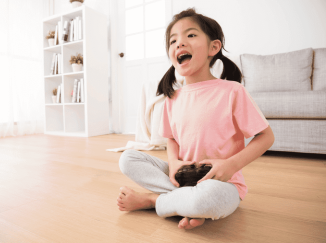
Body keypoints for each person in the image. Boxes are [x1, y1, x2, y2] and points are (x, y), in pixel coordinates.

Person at [116, 8, 275, 230]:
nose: (179, 43)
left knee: (206, 199)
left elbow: (266, 137)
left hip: (222, 183)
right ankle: (186, 203)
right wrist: (173, 164)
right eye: (173, 41)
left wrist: (231, 165)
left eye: (190, 35)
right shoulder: (173, 97)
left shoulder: (232, 91)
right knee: (127, 159)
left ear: (214, 47)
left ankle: (153, 201)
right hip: (180, 175)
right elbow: (171, 140)